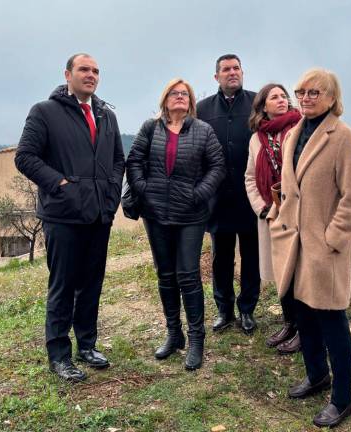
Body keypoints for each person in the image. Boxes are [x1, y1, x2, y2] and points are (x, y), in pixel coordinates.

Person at [15, 53, 125, 383]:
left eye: (95, 71)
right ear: (68, 74)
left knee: (92, 284)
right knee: (63, 287)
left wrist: (111, 194)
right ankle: (59, 355)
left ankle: (87, 345)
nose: (90, 75)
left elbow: (118, 160)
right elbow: (25, 157)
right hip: (63, 216)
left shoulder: (106, 114)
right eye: (83, 70)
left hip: (98, 215)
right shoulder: (45, 112)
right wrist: (61, 184)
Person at [267, 68, 351, 428]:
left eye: (314, 92)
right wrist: (280, 222)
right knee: (303, 315)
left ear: (332, 97)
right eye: (301, 92)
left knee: (332, 321)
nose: (306, 98)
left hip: (324, 247)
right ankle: (316, 375)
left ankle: (342, 399)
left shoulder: (342, 136)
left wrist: (333, 239)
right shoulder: (294, 133)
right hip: (294, 243)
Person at [126, 78, 225, 370]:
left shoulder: (203, 131)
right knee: (165, 275)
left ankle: (197, 339)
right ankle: (174, 334)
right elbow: (134, 161)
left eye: (185, 94)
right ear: (165, 99)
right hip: (155, 213)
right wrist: (144, 190)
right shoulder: (150, 128)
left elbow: (217, 167)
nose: (180, 97)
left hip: (190, 214)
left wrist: (199, 194)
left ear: (191, 101)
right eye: (174, 93)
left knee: (188, 275)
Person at [197, 54, 260, 334]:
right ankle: (224, 310)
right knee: (221, 258)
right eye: (226, 69)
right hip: (217, 199)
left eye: (236, 68)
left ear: (242, 72)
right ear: (216, 77)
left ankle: (247, 309)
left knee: (252, 257)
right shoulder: (202, 108)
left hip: (251, 197)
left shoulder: (258, 103)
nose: (232, 73)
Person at [243, 84, 302, 355]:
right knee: (281, 273)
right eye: (274, 97)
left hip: (298, 213)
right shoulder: (256, 138)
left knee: (300, 273)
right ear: (263, 106)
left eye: (283, 96)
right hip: (271, 214)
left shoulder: (300, 127)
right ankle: (289, 323)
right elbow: (250, 178)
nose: (281, 100)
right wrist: (262, 208)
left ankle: (304, 328)